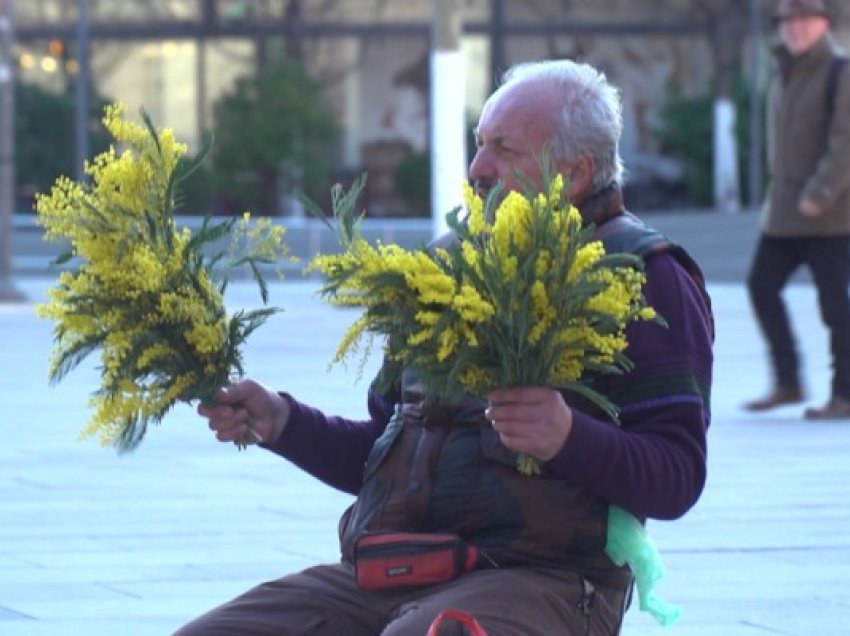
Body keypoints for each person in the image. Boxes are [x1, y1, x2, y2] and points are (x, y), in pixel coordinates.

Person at [174, 59, 714, 636]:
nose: (478, 167)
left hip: (545, 583)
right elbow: (382, 454)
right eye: (479, 144)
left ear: (575, 173)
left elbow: (677, 476)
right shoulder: (442, 266)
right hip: (390, 574)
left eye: (505, 149)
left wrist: (566, 437)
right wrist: (282, 422)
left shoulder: (641, 273)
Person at [744, 0, 850, 419]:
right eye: (788, 20)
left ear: (824, 22)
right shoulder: (783, 72)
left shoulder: (840, 73)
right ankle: (788, 381)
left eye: (805, 19)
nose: (795, 28)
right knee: (761, 286)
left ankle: (845, 393)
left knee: (835, 306)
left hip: (832, 215)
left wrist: (821, 192)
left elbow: (846, 143)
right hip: (786, 216)